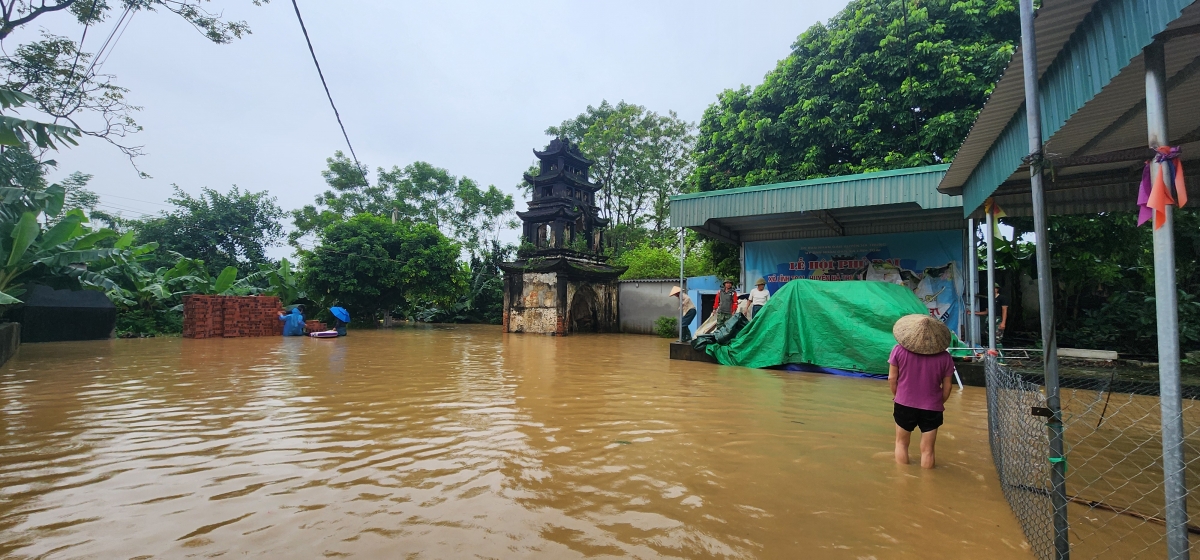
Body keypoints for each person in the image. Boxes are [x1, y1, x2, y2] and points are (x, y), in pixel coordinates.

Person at [889, 314, 955, 469]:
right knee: (928, 451)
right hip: (932, 407)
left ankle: (903, 480)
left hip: (904, 403)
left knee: (901, 444)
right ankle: (928, 484)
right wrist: (938, 401)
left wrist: (899, 396)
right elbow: (948, 387)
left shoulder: (898, 351)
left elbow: (892, 379)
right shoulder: (945, 357)